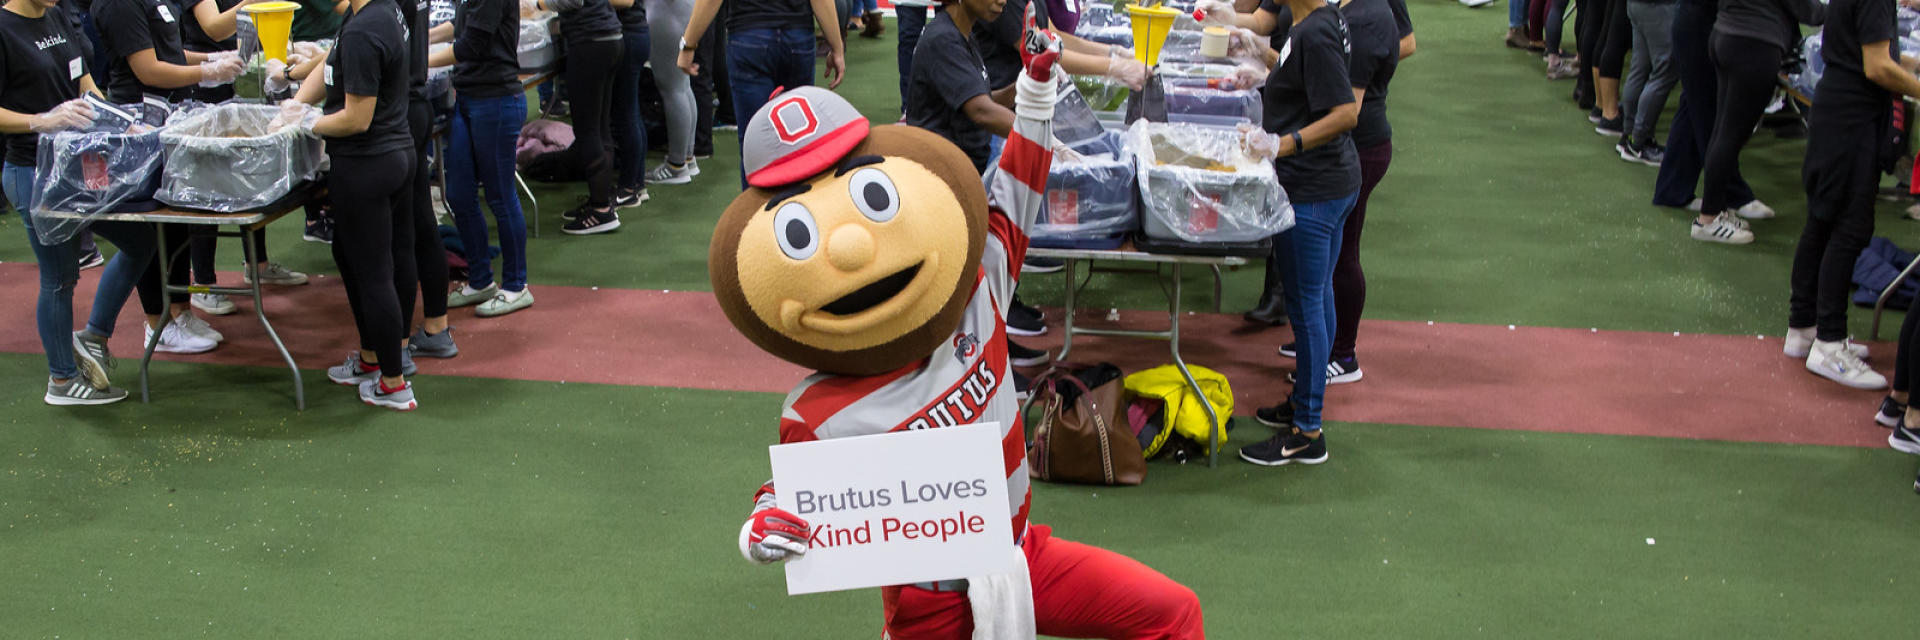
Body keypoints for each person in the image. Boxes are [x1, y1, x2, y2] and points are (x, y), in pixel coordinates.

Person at [710, 57, 1206, 636]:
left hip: (1022, 555)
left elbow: (1016, 191)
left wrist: (1038, 90)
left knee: (1172, 612)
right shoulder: (815, 410)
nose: (850, 250)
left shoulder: (979, 291)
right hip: (930, 600)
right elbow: (796, 497)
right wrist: (763, 527)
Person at [1217, 0, 1360, 466]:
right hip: (1332, 183)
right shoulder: (1313, 23)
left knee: (1306, 306)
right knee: (1319, 298)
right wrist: (1267, 61)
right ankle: (1305, 405)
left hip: (1314, 189)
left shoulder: (1316, 30)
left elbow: (1344, 112)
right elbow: (1306, 75)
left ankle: (1307, 430)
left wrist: (1284, 143)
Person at [1, 0, 161, 405]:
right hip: (31, 171)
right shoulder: (4, 29)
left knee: (141, 241)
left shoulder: (55, 16)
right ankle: (61, 380)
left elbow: (84, 83)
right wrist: (41, 120)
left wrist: (120, 119)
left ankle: (93, 336)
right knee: (59, 277)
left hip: (78, 165)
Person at [1267, 0, 1411, 387]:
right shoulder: (1326, 19)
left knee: (1323, 281)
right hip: (1333, 162)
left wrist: (1286, 143)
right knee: (1317, 288)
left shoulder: (1351, 21)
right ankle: (1324, 354)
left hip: (1336, 163)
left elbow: (1347, 110)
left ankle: (1337, 359)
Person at [91, 0, 244, 354]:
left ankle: (180, 310)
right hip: (140, 125)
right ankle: (156, 321)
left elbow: (171, 54)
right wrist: (206, 73)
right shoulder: (120, 7)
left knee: (177, 221)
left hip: (172, 117)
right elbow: (149, 70)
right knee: (153, 224)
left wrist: (210, 60)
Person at [291, 0, 420, 410]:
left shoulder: (367, 28)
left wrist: (304, 123)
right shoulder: (370, 13)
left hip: (368, 163)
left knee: (374, 272)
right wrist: (296, 101)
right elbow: (332, 59)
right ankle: (372, 359)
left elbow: (355, 118)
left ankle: (394, 383)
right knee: (351, 257)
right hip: (390, 155)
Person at [1788, 0, 1920, 390]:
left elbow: (1871, 50)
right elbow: (1877, 66)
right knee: (1849, 228)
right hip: (1852, 121)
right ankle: (1828, 341)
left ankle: (1803, 329)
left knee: (1823, 221)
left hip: (1837, 114)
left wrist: (1908, 65)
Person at [181, 0, 311, 318]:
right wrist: (253, 4)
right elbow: (213, 26)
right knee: (209, 189)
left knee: (250, 175)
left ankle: (258, 264)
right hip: (205, 88)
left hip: (237, 80)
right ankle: (204, 283)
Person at [432, 0, 532, 323]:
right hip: (468, 99)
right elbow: (462, 26)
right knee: (459, 194)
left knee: (500, 196)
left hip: (497, 100)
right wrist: (420, 43)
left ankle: (517, 285)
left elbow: (470, 44)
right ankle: (480, 279)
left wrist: (416, 63)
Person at [676, 0, 846, 188]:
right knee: (800, 141)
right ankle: (796, 211)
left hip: (749, 37)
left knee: (754, 144)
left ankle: (756, 215)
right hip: (796, 37)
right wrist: (836, 48)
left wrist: (689, 44)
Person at [1695, 0, 1822, 243]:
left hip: (1726, 35)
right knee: (1731, 136)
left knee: (1723, 132)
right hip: (1754, 45)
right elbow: (1810, 12)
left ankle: (1714, 210)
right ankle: (1708, 219)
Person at [1651, 0, 1769, 221]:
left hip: (1703, 25)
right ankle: (1732, 195)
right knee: (1709, 113)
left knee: (1693, 106)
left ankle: (1672, 188)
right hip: (1701, 26)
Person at [531, 0, 625, 234]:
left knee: (588, 130)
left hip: (590, 41)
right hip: (606, 37)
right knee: (599, 127)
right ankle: (600, 199)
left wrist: (539, 4)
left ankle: (601, 209)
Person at [645, 0, 700, 184]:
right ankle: (686, 157)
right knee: (681, 86)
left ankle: (677, 165)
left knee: (673, 89)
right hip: (680, 10)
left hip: (667, 12)